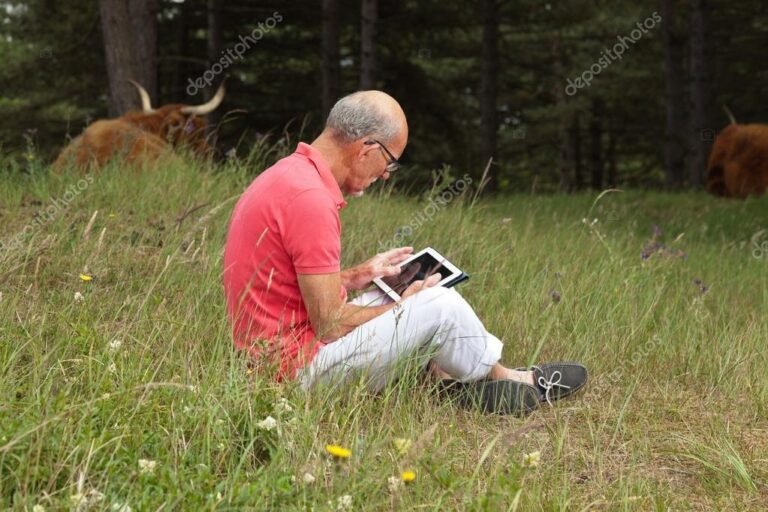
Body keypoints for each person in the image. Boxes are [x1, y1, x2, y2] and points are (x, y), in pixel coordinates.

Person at [222, 90, 587, 414]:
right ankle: (508, 379)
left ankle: (441, 375)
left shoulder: (288, 174)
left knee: (389, 291)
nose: (385, 175)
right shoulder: (311, 201)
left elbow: (285, 282)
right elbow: (330, 324)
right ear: (366, 148)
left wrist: (355, 276)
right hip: (292, 374)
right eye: (390, 162)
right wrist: (404, 307)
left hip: (272, 358)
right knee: (439, 303)